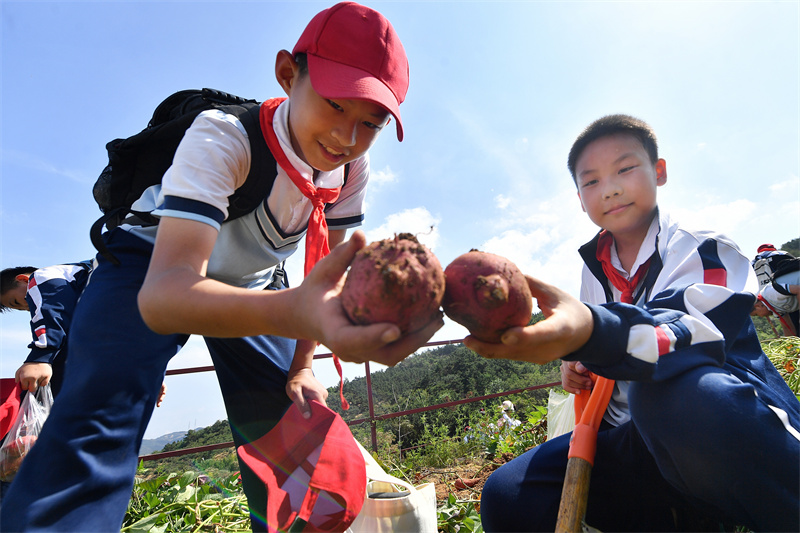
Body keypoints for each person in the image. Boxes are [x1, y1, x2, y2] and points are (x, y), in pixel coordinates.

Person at [0, 3, 442, 531]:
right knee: (96, 424)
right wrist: (299, 313)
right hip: (149, 267)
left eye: (370, 122)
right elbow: (166, 295)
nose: (347, 136)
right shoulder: (225, 137)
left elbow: (327, 271)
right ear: (287, 73)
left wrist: (303, 364)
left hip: (256, 282)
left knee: (296, 435)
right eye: (334, 105)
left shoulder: (349, 169)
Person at [471, 114, 799, 532]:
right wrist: (578, 364)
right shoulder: (593, 271)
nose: (609, 188)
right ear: (579, 198)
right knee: (508, 495)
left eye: (625, 169)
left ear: (659, 172)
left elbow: (684, 333)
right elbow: (605, 350)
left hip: (714, 425)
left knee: (662, 397)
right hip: (637, 443)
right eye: (591, 181)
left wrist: (589, 334)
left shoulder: (701, 245)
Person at [1, 263, 93, 398]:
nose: (27, 306)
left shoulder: (42, 276)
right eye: (21, 309)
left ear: (23, 279)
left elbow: (51, 315)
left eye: (16, 301)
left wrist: (40, 357)